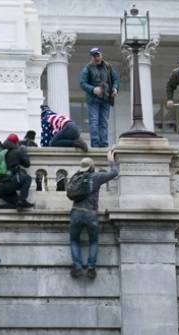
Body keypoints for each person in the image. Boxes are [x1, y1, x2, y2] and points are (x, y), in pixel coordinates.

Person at [69, 150, 118, 279]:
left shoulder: (75, 177)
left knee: (74, 240)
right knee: (93, 241)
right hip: (91, 214)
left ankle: (77, 267)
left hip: (76, 212)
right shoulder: (96, 177)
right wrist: (111, 160)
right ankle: (91, 268)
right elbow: (114, 173)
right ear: (92, 167)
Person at [79, 47, 119, 148]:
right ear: (91, 57)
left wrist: (115, 88)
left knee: (104, 122)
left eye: (98, 55)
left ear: (101, 55)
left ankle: (104, 144)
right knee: (94, 121)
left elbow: (115, 79)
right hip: (93, 100)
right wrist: (93, 89)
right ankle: (95, 145)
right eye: (94, 56)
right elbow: (82, 83)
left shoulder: (108, 67)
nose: (96, 58)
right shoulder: (87, 68)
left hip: (106, 98)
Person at [0, 133, 33, 211]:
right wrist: (23, 151)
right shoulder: (17, 151)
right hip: (8, 183)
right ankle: (22, 200)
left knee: (18, 204)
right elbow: (27, 164)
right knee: (27, 178)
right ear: (16, 142)